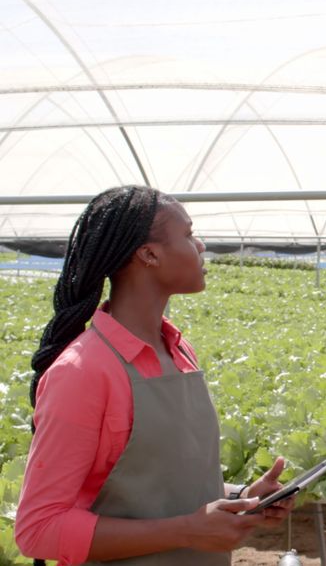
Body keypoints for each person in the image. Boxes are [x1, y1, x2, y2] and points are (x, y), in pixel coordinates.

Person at [15, 186, 294, 565]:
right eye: (189, 234)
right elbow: (39, 529)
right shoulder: (82, 373)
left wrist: (240, 496)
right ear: (148, 254)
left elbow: (157, 489)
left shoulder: (178, 349)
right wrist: (187, 530)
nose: (201, 245)